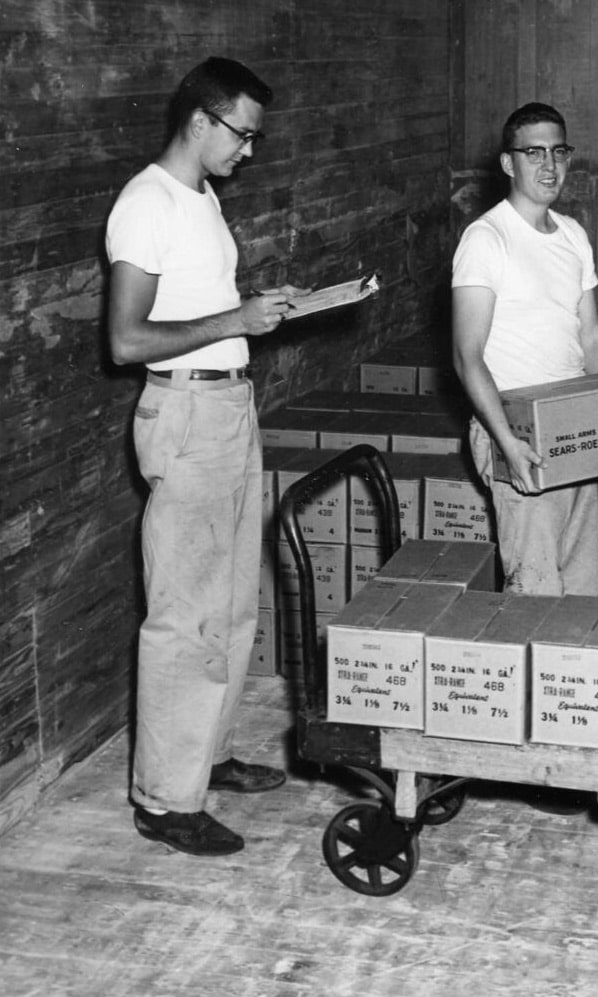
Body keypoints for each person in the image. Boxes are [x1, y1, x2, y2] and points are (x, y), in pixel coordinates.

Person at [106, 57, 306, 856]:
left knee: (230, 603)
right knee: (183, 613)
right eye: (243, 134)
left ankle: (206, 755)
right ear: (201, 120)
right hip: (185, 410)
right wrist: (237, 316)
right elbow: (125, 340)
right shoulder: (144, 204)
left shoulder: (204, 198)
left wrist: (258, 317)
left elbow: (211, 312)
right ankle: (163, 799)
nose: (248, 151)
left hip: (228, 404)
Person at [451, 102, 598, 597]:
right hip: (519, 430)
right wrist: (505, 442)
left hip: (573, 425)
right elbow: (467, 355)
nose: (549, 166)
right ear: (508, 163)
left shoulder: (572, 235)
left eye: (558, 152)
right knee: (535, 590)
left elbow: (590, 336)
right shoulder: (486, 239)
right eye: (534, 153)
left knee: (582, 587)